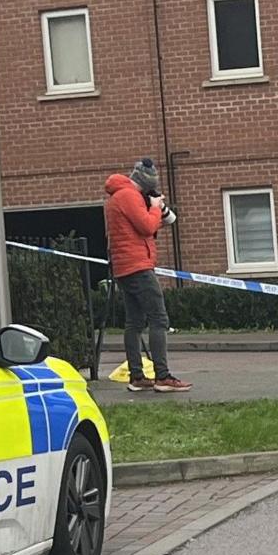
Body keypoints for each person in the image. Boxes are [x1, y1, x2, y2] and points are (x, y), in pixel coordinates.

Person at [104, 158, 189, 394]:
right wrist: (154, 207)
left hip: (123, 266)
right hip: (138, 266)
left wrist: (154, 210)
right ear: (147, 182)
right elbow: (146, 227)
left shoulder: (116, 197)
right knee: (159, 319)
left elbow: (139, 227)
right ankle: (163, 376)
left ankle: (137, 376)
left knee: (134, 323)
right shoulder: (129, 196)